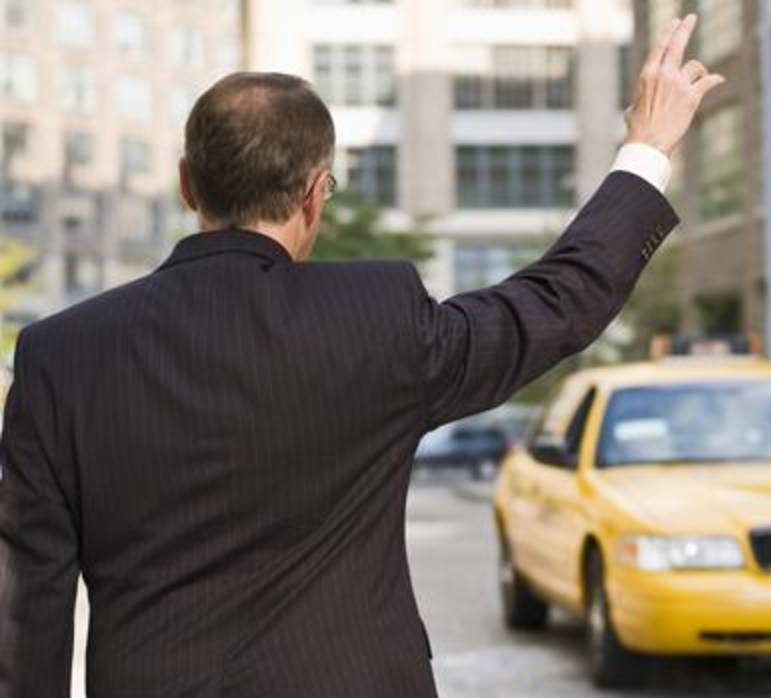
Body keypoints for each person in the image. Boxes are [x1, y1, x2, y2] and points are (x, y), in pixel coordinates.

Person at [0, 15, 722, 698]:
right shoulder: (378, 318)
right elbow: (554, 303)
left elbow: (24, 607)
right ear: (317, 196)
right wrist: (647, 149)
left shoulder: (57, 355)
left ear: (188, 183)